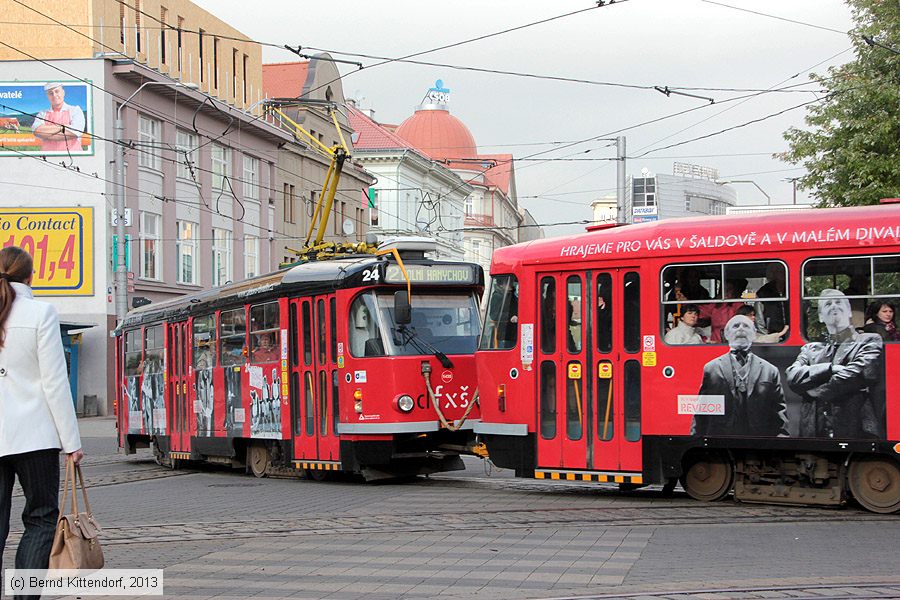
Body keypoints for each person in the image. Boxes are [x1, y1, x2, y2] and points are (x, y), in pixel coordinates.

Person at [0, 246, 83, 580]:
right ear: (30, 276)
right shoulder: (41, 313)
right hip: (35, 438)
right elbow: (54, 384)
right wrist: (71, 442)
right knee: (40, 519)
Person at [786, 289, 883, 438]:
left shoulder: (869, 341)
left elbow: (855, 375)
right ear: (820, 316)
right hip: (813, 431)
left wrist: (814, 391)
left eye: (838, 302)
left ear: (849, 311)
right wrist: (830, 369)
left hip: (855, 428)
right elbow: (792, 377)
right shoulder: (811, 349)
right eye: (828, 304)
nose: (834, 306)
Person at [691, 315, 788, 437]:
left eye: (746, 326)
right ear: (726, 334)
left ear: (754, 334)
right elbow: (701, 410)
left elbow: (779, 412)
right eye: (736, 326)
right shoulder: (711, 368)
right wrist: (695, 439)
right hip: (721, 439)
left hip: (758, 439)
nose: (740, 329)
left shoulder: (770, 370)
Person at [32, 83, 86, 152]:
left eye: (57, 91)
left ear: (63, 93)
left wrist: (46, 133)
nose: (54, 95)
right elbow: (37, 131)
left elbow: (75, 133)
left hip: (73, 157)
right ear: (47, 96)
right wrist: (62, 127)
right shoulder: (42, 114)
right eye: (50, 93)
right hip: (47, 157)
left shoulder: (75, 110)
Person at [700, 278, 748, 343]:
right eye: (724, 289)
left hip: (733, 342)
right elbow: (702, 311)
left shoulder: (739, 304)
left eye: (729, 289)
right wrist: (686, 303)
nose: (726, 292)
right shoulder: (716, 304)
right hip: (715, 342)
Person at [754, 263, 787, 336]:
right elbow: (759, 318)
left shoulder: (797, 288)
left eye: (784, 271)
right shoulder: (763, 292)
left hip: (794, 331)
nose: (783, 274)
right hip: (771, 334)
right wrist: (767, 336)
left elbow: (805, 309)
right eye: (779, 271)